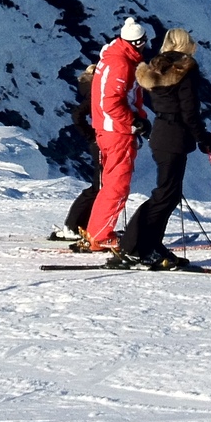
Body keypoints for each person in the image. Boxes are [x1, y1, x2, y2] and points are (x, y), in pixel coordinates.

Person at [113, 27, 211, 270]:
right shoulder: (184, 71)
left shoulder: (156, 69)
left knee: (167, 195)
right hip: (175, 137)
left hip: (161, 133)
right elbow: (189, 111)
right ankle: (136, 247)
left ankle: (149, 245)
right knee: (165, 195)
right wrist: (203, 137)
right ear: (186, 46)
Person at [82, 18, 150, 251]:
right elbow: (111, 102)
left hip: (107, 129)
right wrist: (133, 122)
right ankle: (101, 236)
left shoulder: (113, 57)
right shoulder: (122, 64)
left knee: (110, 183)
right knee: (118, 185)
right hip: (117, 131)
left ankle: (97, 230)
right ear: (138, 42)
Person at [52, 65, 99, 242]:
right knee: (98, 187)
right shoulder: (95, 93)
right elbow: (77, 115)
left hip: (97, 140)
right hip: (100, 141)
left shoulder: (90, 91)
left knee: (99, 186)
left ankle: (79, 225)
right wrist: (92, 135)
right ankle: (73, 225)